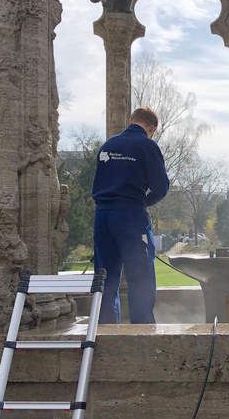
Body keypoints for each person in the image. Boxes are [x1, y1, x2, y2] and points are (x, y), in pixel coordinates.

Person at [92, 107, 169, 323]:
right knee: (140, 277)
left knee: (106, 278)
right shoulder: (147, 146)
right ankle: (142, 333)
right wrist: (141, 203)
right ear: (151, 129)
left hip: (102, 217)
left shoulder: (108, 145)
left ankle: (105, 332)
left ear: (130, 120)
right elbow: (161, 187)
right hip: (130, 217)